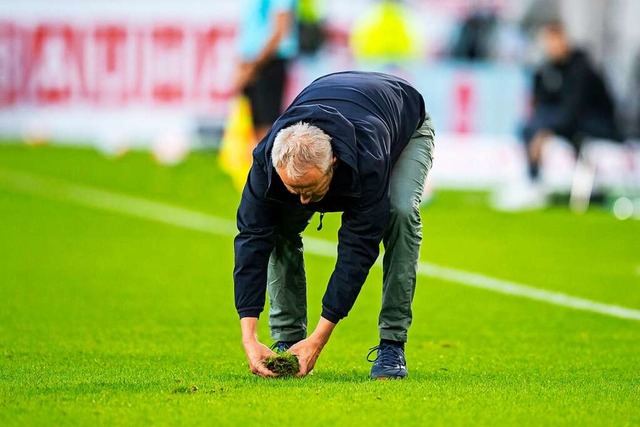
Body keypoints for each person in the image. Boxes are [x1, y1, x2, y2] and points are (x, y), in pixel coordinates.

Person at [234, 71, 434, 379]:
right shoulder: (267, 162)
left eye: (310, 190)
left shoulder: (369, 155)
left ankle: (392, 343)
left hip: (402, 124)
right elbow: (251, 238)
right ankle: (286, 340)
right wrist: (249, 337)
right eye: (294, 190)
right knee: (275, 224)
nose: (303, 202)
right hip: (342, 100)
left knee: (401, 212)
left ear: (333, 164)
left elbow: (358, 249)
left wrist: (318, 339)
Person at [522, 20, 621, 195]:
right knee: (529, 129)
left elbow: (576, 109)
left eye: (555, 40)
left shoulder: (581, 68)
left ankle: (585, 185)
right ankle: (532, 181)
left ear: (564, 40)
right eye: (548, 42)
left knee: (551, 130)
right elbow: (541, 104)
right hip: (567, 123)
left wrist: (547, 130)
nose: (551, 46)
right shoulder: (545, 71)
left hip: (595, 123)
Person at [234, 0, 299, 144]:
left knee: (268, 120)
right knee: (256, 119)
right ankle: (260, 163)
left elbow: (280, 30)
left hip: (269, 60)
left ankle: (268, 163)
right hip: (253, 61)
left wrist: (254, 65)